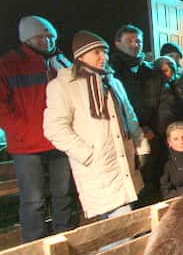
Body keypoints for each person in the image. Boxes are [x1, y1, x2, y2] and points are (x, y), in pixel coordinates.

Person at [43, 30, 150, 219]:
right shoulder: (64, 85)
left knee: (118, 222)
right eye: (97, 52)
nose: (104, 57)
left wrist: (140, 146)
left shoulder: (112, 82)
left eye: (105, 52)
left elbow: (129, 117)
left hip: (123, 162)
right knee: (122, 222)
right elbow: (54, 128)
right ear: (81, 56)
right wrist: (87, 154)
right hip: (98, 166)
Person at [0, 15, 75, 242]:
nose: (47, 41)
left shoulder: (62, 63)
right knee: (33, 199)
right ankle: (34, 245)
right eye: (40, 37)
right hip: (27, 146)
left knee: (63, 194)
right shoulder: (8, 65)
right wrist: (23, 131)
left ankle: (64, 238)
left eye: (50, 36)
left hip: (59, 141)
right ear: (26, 39)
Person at [110, 24, 169, 200]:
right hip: (126, 135)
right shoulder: (111, 73)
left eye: (138, 41)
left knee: (154, 179)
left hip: (152, 134)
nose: (135, 45)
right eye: (129, 41)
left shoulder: (152, 72)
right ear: (117, 43)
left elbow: (163, 103)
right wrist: (135, 130)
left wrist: (155, 129)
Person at [159, 121, 183, 200]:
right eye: (176, 139)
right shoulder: (166, 160)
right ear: (169, 142)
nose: (181, 142)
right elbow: (165, 191)